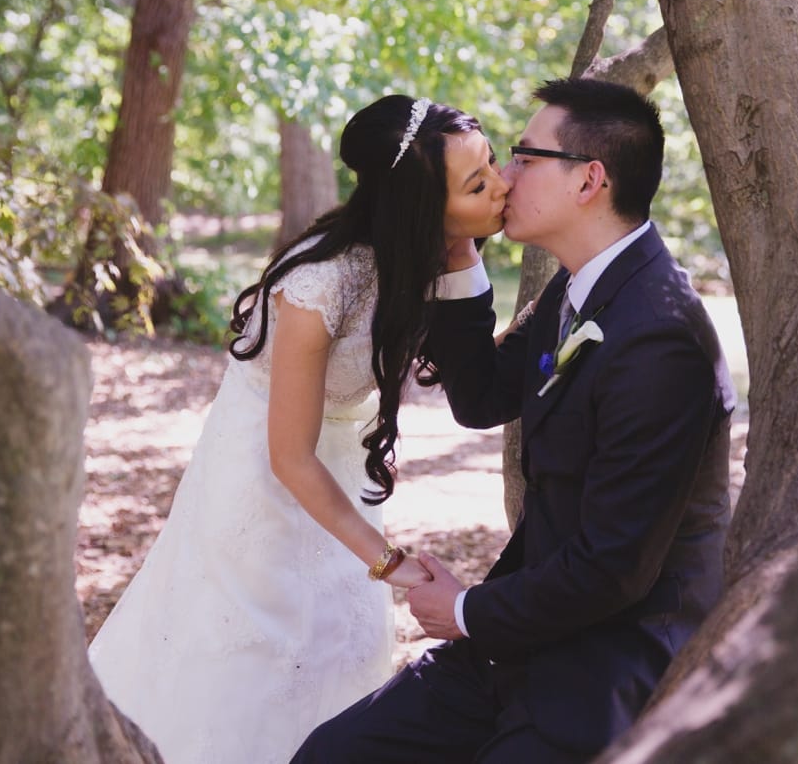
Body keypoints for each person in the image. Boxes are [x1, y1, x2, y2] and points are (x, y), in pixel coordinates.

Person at [292, 78, 735, 763]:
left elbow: (615, 569)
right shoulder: (581, 283)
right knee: (333, 755)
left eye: (526, 157)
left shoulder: (660, 337)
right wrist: (456, 249)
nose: (505, 176)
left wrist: (466, 611)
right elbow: (481, 394)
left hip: (609, 659)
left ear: (589, 180)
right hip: (521, 635)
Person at [88, 94, 509, 764]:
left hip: (339, 463)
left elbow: (478, 387)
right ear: (421, 206)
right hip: (266, 468)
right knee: (254, 646)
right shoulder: (321, 280)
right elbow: (289, 455)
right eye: (479, 183)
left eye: (493, 163)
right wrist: (387, 558)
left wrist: (465, 253)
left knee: (340, 643)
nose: (504, 184)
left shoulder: (429, 255)